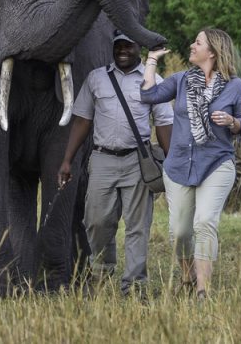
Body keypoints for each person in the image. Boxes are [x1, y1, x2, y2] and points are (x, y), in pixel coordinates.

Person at [58, 31, 173, 297]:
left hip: (138, 161)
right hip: (102, 159)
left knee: (137, 225)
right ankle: (101, 272)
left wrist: (171, 165)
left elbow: (164, 123)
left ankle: (134, 286)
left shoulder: (153, 80)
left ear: (138, 49)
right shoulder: (97, 78)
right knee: (96, 221)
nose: (122, 50)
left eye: (128, 46)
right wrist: (67, 160)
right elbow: (82, 120)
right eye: (118, 45)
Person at [139, 28, 241, 300]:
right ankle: (187, 274)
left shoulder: (235, 86)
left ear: (212, 51)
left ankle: (203, 289)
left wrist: (232, 122)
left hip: (216, 164)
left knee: (204, 222)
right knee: (179, 230)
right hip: (178, 165)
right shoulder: (181, 80)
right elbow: (148, 96)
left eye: (197, 43)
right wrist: (152, 61)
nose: (191, 45)